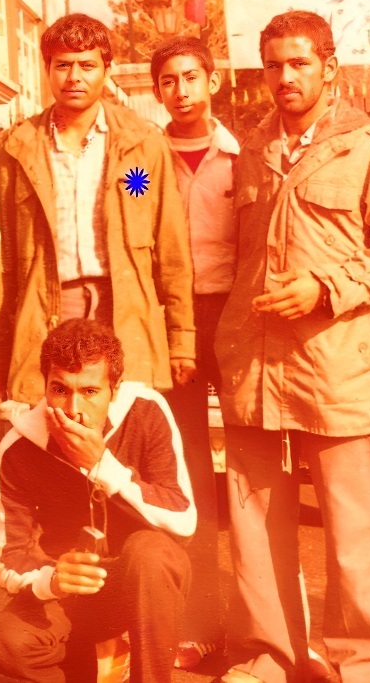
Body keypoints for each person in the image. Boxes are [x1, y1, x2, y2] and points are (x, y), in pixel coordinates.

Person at [213, 10, 370, 683]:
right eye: (273, 65)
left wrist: (326, 287)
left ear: (329, 67)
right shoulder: (250, 149)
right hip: (255, 367)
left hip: (336, 365)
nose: (285, 76)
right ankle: (269, 654)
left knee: (353, 524)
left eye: (299, 62)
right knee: (254, 523)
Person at [0, 13, 195, 407]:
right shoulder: (16, 149)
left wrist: (182, 340)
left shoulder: (142, 145)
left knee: (124, 420)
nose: (74, 77)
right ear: (47, 69)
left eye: (87, 65)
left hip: (122, 307)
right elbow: (1, 263)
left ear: (106, 70)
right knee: (52, 421)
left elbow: (171, 250)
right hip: (47, 308)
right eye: (63, 65)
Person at [0, 318, 195, 683]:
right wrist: (53, 579)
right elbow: (10, 556)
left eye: (90, 391)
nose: (73, 409)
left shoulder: (146, 411)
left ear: (115, 389)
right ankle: (100, 665)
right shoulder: (18, 447)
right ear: (45, 385)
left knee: (149, 551)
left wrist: (102, 466)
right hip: (74, 591)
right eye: (59, 389)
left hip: (144, 588)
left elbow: (184, 519)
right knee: (7, 642)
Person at [151, 36, 239, 667]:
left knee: (255, 470)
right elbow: (134, 221)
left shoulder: (243, 157)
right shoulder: (143, 163)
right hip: (171, 323)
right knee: (184, 472)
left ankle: (271, 627)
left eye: (190, 77)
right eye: (168, 80)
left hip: (234, 319)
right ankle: (198, 619)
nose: (180, 91)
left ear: (212, 81)